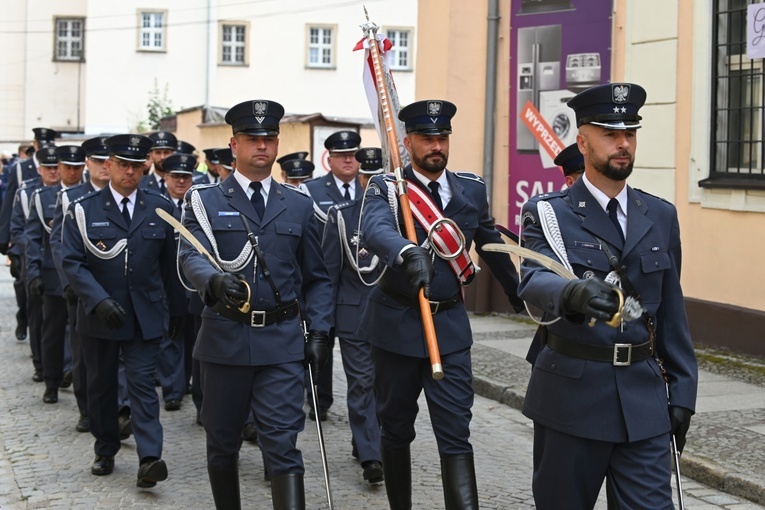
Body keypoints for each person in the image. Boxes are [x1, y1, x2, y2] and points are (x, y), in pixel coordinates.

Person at [517, 83, 697, 509]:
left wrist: (683, 394)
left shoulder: (661, 215)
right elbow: (532, 280)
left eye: (630, 134)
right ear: (582, 142)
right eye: (610, 134)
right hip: (572, 397)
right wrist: (573, 292)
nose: (623, 144)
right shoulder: (549, 213)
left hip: (643, 398)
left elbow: (671, 312)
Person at [359, 100, 524, 509]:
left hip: (448, 326)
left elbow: (489, 244)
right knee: (395, 428)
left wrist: (519, 291)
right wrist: (405, 251)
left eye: (442, 137)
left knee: (455, 429)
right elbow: (375, 229)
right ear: (408, 141)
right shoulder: (387, 187)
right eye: (427, 138)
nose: (436, 146)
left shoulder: (471, 188)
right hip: (396, 324)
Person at [179, 99, 333, 510]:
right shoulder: (204, 201)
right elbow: (189, 255)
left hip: (281, 342)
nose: (261, 146)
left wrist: (319, 331)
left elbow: (317, 278)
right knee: (223, 442)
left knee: (283, 443)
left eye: (269, 139)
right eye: (252, 139)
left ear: (277, 143)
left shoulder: (299, 205)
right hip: (225, 340)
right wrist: (212, 280)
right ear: (234, 144)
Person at [61, 134, 184, 488]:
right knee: (100, 386)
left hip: (145, 316)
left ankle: (149, 458)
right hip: (100, 317)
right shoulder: (84, 210)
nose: (130, 172)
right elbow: (72, 262)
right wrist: (98, 301)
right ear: (108, 165)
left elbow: (170, 265)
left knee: (143, 385)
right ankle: (105, 447)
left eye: (136, 165)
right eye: (123, 165)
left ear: (145, 166)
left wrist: (175, 311)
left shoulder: (160, 208)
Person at [322, 147, 385, 485]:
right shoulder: (342, 215)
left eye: (381, 178)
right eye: (369, 178)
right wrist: (324, 324)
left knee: (385, 385)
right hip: (353, 316)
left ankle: (367, 440)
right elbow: (329, 274)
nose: (374, 183)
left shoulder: (401, 215)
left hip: (392, 317)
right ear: (360, 178)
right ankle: (371, 456)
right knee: (362, 383)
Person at [49, 136, 112, 433]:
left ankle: (118, 410)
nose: (103, 167)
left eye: (106, 161)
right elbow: (59, 244)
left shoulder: (128, 195)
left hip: (117, 290)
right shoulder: (72, 197)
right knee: (84, 356)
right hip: (81, 291)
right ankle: (86, 408)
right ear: (88, 164)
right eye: (97, 161)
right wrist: (70, 285)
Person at [303, 129, 362, 421]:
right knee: (321, 342)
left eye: (353, 155)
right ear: (330, 159)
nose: (349, 161)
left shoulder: (372, 189)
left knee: (363, 365)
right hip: (323, 281)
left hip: (357, 287)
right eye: (341, 156)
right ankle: (319, 398)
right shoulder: (312, 191)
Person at [26, 145, 85, 404]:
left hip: (82, 278)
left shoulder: (89, 196)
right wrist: (33, 272)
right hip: (52, 277)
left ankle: (78, 383)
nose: (72, 172)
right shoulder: (42, 197)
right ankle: (51, 381)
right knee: (52, 332)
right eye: (67, 167)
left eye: (77, 167)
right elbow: (33, 237)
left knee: (81, 335)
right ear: (58, 168)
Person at [1, 128, 57, 341]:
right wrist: (4, 239)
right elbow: (9, 202)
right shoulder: (20, 168)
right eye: (42, 145)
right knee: (22, 284)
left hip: (48, 239)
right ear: (35, 145)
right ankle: (23, 317)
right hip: (24, 235)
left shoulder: (58, 168)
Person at [157, 153, 197, 412]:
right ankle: (172, 390)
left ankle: (187, 382)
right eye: (176, 177)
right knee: (170, 336)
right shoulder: (157, 205)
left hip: (194, 283)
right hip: (166, 281)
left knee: (193, 337)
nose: (181, 181)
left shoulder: (200, 203)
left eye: (186, 177)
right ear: (166, 177)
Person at [140, 131, 177, 195]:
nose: (162, 157)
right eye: (158, 152)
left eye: (166, 152)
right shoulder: (140, 183)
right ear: (151, 155)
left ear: (173, 154)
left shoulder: (182, 184)